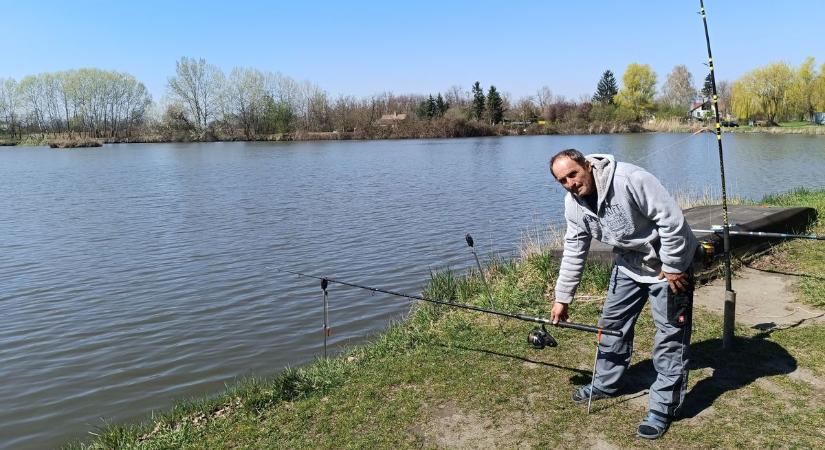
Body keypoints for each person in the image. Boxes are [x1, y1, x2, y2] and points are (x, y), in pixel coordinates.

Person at [548, 149, 699, 440]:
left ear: (588, 165)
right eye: (562, 180)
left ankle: (663, 407)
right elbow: (574, 251)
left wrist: (674, 266)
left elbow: (672, 222)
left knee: (670, 336)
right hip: (628, 265)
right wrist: (562, 297)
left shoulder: (631, 179)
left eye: (573, 174)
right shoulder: (573, 205)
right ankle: (606, 383)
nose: (570, 184)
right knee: (611, 325)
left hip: (668, 266)